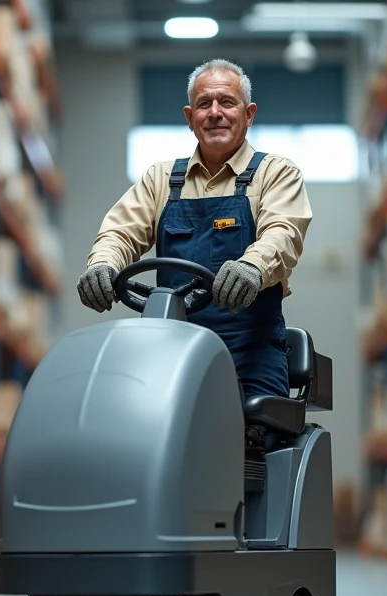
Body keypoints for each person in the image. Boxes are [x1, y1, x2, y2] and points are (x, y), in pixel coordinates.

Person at [78, 58, 312, 401]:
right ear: (190, 118)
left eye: (227, 103)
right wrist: (102, 264)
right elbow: (120, 232)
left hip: (250, 352)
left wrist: (252, 267)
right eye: (205, 104)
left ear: (249, 114)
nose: (215, 112)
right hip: (170, 351)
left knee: (252, 438)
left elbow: (283, 233)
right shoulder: (161, 179)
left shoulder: (275, 174)